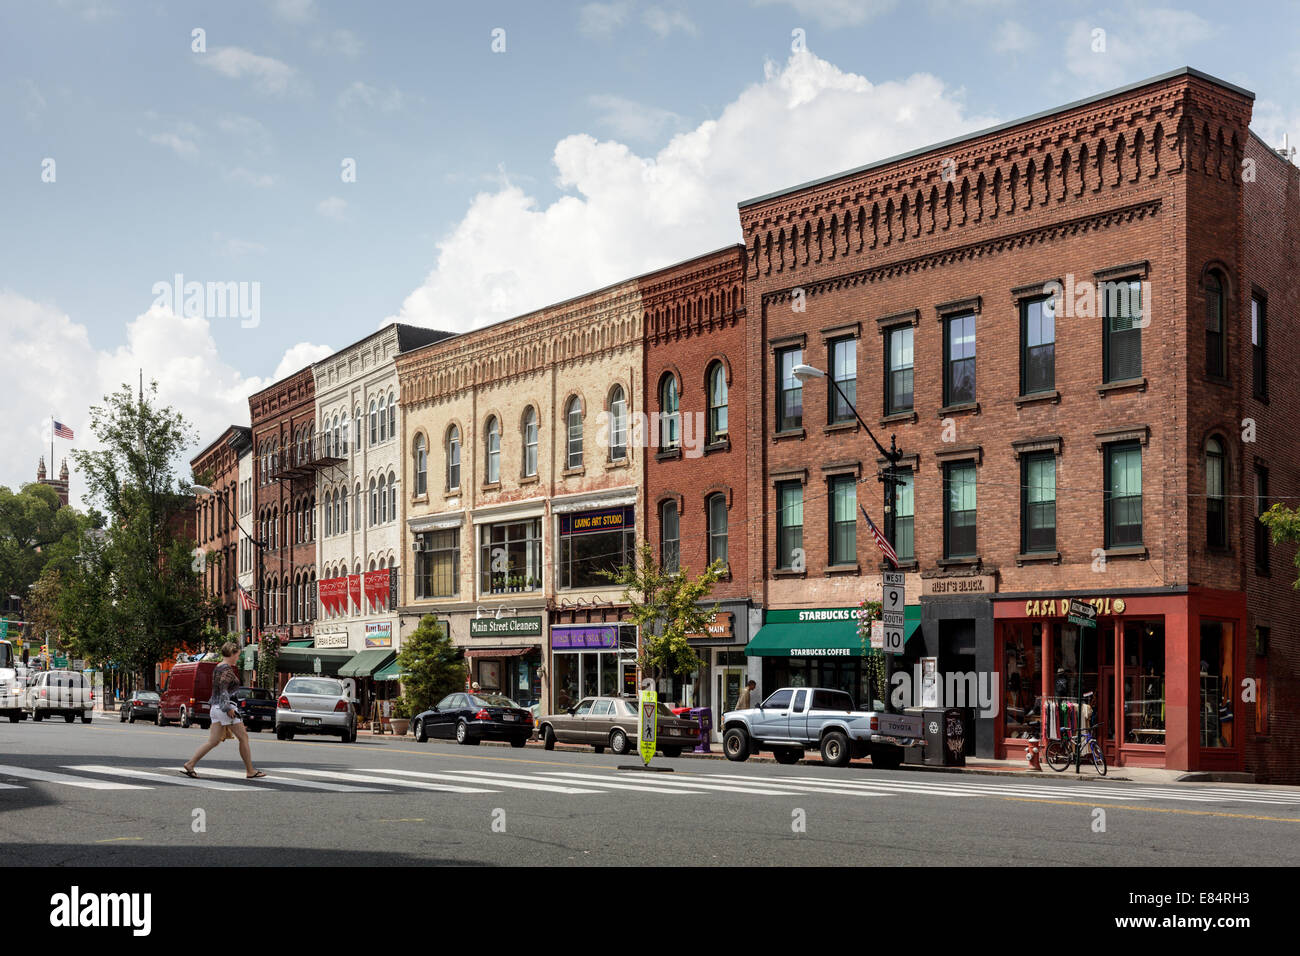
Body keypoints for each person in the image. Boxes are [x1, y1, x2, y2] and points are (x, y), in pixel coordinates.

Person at [181, 641, 264, 780]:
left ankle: (190, 764)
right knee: (243, 737)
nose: (238, 657)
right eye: (237, 655)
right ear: (231, 654)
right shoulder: (226, 669)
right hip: (225, 707)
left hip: (215, 707)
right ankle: (250, 770)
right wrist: (227, 708)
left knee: (213, 741)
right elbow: (223, 689)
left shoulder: (218, 667)